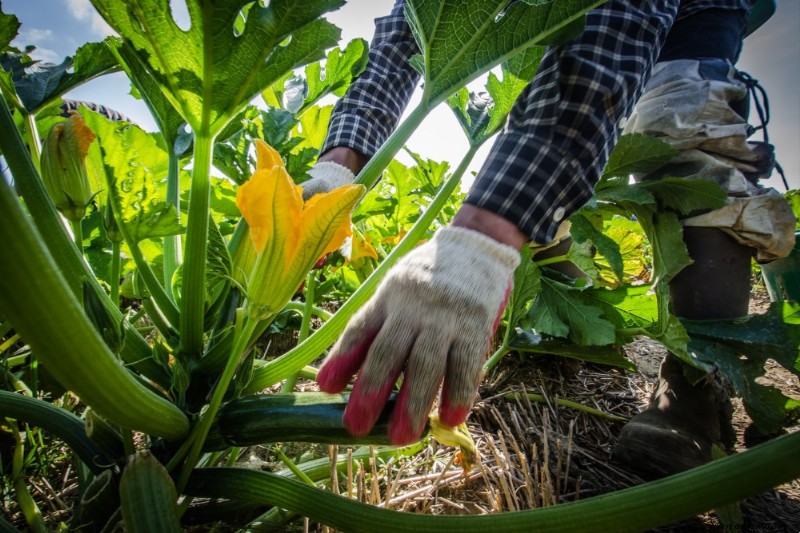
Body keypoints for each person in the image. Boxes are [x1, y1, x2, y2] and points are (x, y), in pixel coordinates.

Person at [305, 0, 796, 479]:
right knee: (524, 167)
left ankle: (696, 382)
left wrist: (485, 239)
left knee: (683, 123)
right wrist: (334, 172)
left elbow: (609, 39)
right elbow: (395, 51)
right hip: (573, 17)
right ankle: (558, 329)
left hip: (686, 11)